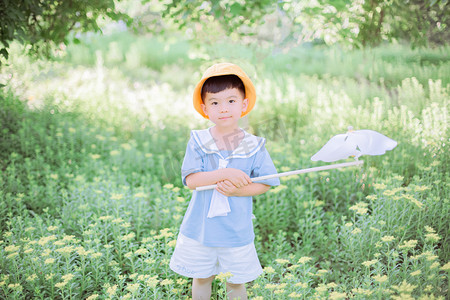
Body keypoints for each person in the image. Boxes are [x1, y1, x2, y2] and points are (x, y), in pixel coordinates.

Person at [169, 62, 280, 300]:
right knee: (201, 277)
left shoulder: (254, 146)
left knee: (236, 282)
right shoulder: (199, 141)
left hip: (235, 230)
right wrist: (225, 173)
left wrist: (237, 191)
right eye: (215, 102)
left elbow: (266, 183)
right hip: (201, 229)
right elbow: (191, 180)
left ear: (244, 104)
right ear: (204, 108)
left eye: (231, 101)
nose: (223, 108)